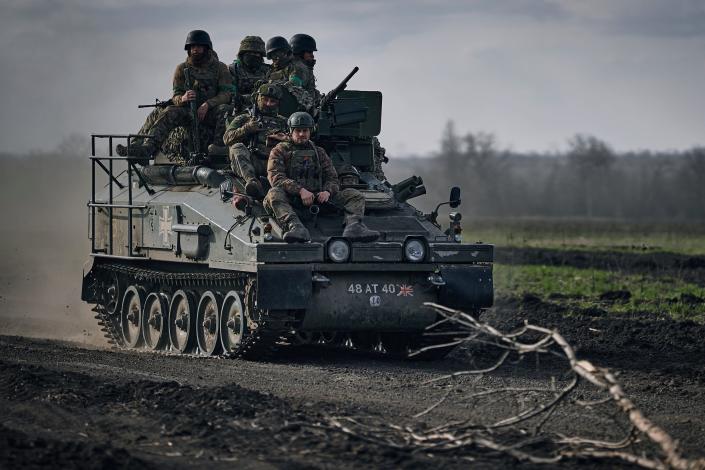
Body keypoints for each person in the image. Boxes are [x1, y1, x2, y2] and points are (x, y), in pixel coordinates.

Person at [264, 112, 380, 243]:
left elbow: (332, 178)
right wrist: (300, 191)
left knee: (354, 195)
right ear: (291, 131)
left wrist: (327, 191)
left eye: (305, 130)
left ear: (310, 131)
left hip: (320, 200)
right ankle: (295, 227)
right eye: (298, 130)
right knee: (273, 194)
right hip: (293, 201)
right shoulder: (279, 150)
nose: (302, 134)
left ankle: (353, 227)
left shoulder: (319, 152)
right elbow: (276, 178)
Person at [118, 30, 233, 159]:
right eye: (192, 47)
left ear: (207, 48)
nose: (195, 50)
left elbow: (226, 94)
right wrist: (183, 98)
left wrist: (208, 104)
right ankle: (147, 148)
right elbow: (176, 95)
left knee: (225, 110)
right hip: (188, 110)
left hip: (210, 112)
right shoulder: (181, 69)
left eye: (199, 47)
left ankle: (217, 151)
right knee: (168, 112)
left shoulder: (220, 68)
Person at [223, 84, 288, 198]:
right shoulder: (244, 118)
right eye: (265, 100)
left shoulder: (284, 122)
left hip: (275, 164)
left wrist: (284, 139)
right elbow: (227, 138)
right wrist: (247, 129)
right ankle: (252, 182)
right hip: (251, 162)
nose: (268, 104)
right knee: (236, 147)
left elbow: (299, 141)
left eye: (272, 101)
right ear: (258, 98)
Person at [228, 35, 270, 111]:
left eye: (257, 54)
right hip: (239, 108)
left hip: (265, 107)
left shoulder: (267, 70)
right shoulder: (233, 69)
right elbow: (229, 94)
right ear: (242, 54)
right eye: (250, 53)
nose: (254, 56)